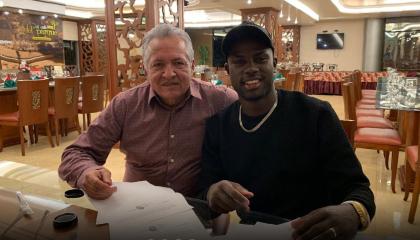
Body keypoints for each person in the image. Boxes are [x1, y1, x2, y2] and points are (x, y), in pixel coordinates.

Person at [198, 21, 375, 240]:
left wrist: (352, 212)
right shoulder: (219, 125)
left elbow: (358, 189)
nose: (251, 67)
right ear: (227, 70)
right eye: (239, 61)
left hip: (313, 232)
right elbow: (205, 190)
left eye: (261, 58)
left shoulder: (315, 115)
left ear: (275, 63)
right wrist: (214, 193)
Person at [59, 24, 237, 200]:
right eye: (158, 65)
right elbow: (75, 154)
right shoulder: (125, 104)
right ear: (145, 68)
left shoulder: (221, 100)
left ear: (192, 65)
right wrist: (87, 172)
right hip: (138, 208)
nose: (169, 74)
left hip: (197, 206)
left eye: (178, 63)